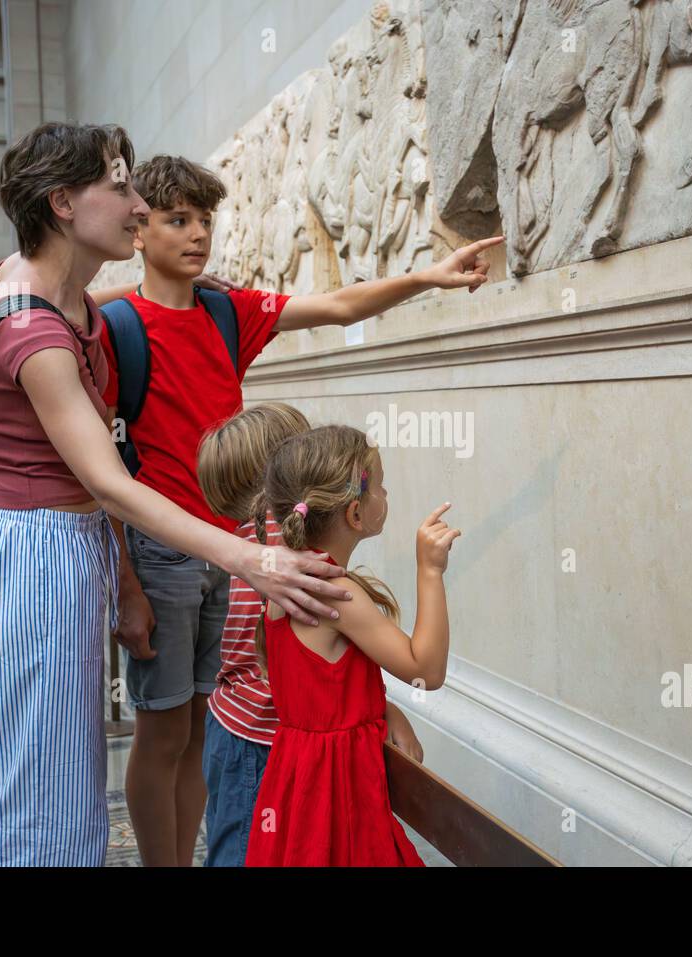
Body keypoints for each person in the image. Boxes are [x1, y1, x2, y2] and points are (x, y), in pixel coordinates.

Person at [87, 153, 500, 865]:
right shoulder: (119, 323)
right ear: (139, 227)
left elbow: (337, 306)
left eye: (205, 219)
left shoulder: (226, 310)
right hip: (167, 552)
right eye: (177, 219)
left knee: (225, 711)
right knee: (166, 730)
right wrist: (124, 578)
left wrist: (428, 277)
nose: (197, 234)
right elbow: (104, 468)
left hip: (253, 553)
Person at [0, 122, 352, 867]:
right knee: (36, 787)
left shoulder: (59, 291)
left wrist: (123, 575)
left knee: (67, 782)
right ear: (64, 203)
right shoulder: (34, 329)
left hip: (70, 545)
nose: (139, 206)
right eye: (121, 186)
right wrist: (251, 556)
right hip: (37, 553)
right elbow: (107, 478)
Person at [195, 402, 424, 866]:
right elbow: (285, 672)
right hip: (256, 740)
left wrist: (380, 706)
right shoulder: (280, 565)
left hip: (250, 733)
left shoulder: (270, 549)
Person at [242, 425, 459, 866]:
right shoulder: (337, 593)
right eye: (379, 482)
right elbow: (426, 670)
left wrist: (382, 709)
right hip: (338, 788)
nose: (386, 490)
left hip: (296, 780)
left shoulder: (287, 581)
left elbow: (319, 689)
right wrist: (430, 572)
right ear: (355, 514)